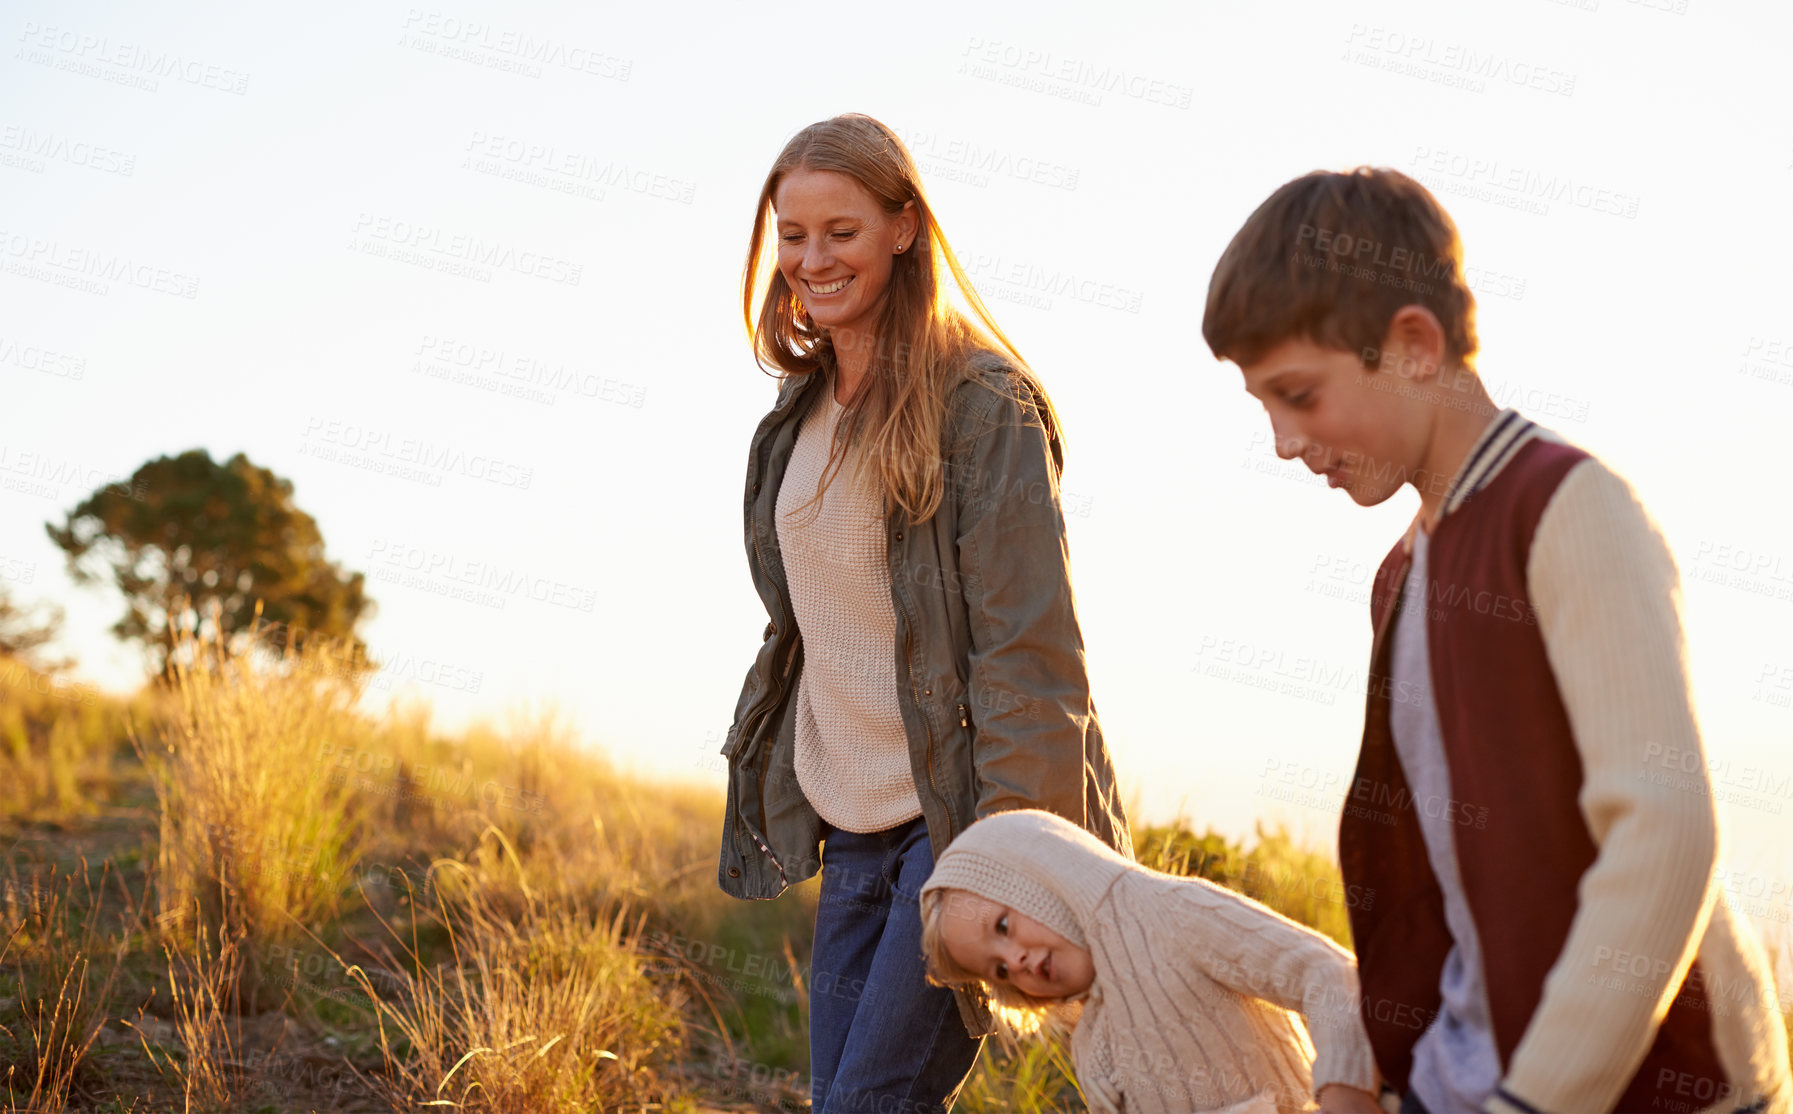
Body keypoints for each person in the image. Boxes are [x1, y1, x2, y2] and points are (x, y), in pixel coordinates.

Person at [1201, 167, 1792, 1114]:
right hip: (1462, 1081)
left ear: (1413, 345)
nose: (1280, 440)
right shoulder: (1398, 574)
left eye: (1298, 395)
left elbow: (1665, 832)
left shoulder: (1566, 510)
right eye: (1262, 406)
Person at [715, 112, 1132, 1114]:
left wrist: (1011, 863)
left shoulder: (982, 405)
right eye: (792, 232)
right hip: (852, 830)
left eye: (841, 231)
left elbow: (1033, 656)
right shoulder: (795, 418)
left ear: (904, 227)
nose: (811, 259)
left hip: (957, 829)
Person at [918, 808, 1383, 1114]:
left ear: (1043, 877)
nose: (1014, 960)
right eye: (997, 970)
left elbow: (1327, 974)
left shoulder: (1175, 914)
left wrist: (1346, 1093)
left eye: (1003, 927)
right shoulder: (1091, 1041)